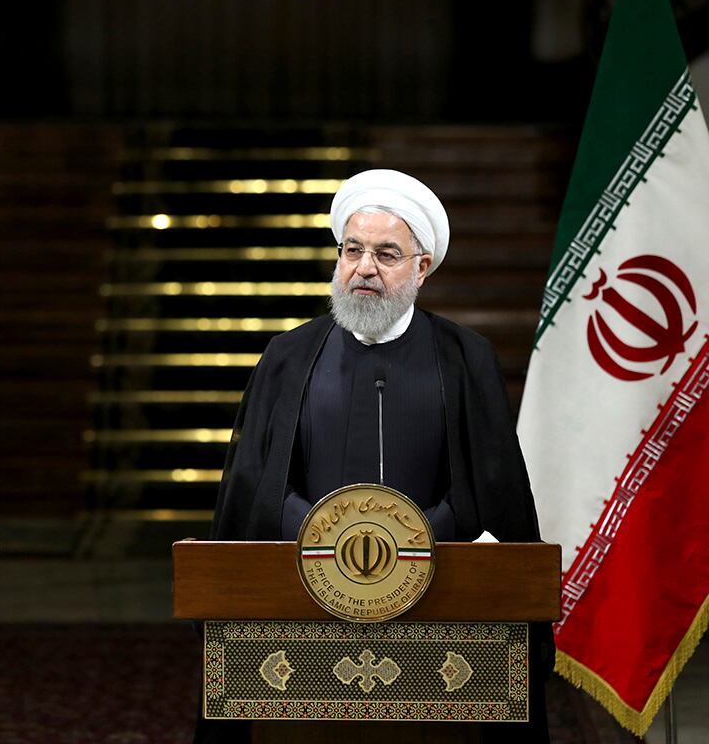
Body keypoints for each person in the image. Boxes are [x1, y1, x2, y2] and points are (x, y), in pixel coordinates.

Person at [199, 168, 550, 743]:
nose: (364, 268)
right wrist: (324, 539)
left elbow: (490, 491)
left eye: (387, 254)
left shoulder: (465, 358)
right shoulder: (289, 356)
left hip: (437, 606)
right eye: (352, 250)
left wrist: (407, 542)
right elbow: (255, 486)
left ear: (422, 267)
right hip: (302, 601)